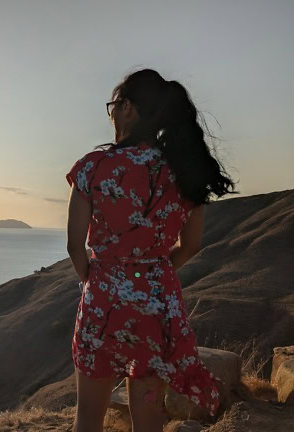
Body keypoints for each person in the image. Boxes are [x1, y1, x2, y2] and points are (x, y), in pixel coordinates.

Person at [65, 68, 238, 432]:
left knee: (88, 421)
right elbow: (191, 246)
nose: (112, 113)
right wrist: (153, 273)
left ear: (128, 108)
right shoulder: (184, 173)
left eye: (114, 105)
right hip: (157, 307)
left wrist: (98, 281)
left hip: (102, 305)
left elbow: (75, 245)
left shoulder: (94, 168)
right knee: (148, 421)